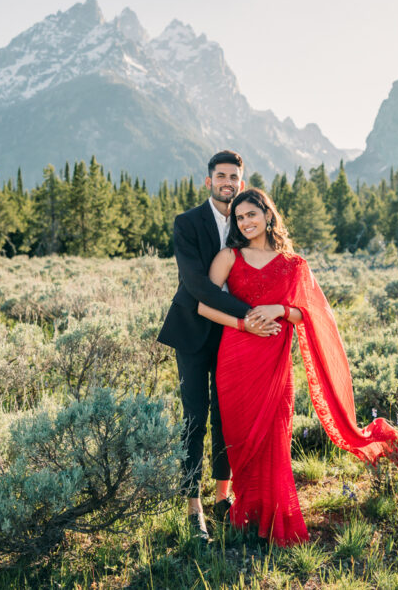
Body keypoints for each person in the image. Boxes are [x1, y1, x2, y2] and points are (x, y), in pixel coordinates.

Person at [197, 188, 398, 546]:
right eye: (239, 218)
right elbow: (205, 307)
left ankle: (274, 516)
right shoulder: (228, 257)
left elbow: (311, 314)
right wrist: (243, 324)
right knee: (240, 437)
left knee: (274, 436)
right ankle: (247, 513)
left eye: (252, 214)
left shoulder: (293, 264)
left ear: (268, 215)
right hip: (235, 357)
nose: (246, 222)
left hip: (274, 362)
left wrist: (279, 310)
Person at [157, 151, 280, 542]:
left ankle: (222, 498)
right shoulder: (187, 223)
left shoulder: (246, 220)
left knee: (227, 418)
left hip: (235, 338)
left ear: (242, 183)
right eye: (221, 176)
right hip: (195, 332)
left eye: (235, 177)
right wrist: (250, 314)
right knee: (195, 417)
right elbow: (197, 286)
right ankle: (193, 509)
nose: (228, 182)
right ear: (209, 180)